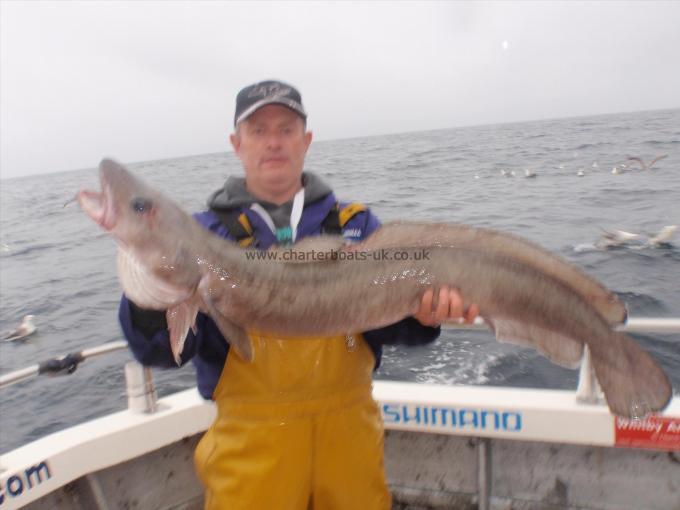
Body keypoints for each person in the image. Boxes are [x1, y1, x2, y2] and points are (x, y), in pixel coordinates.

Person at [119, 80, 478, 510]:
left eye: (286, 129)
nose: (273, 142)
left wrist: (426, 316)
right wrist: (152, 293)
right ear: (237, 144)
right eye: (258, 130)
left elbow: (393, 331)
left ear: (306, 141)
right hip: (251, 461)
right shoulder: (203, 235)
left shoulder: (358, 228)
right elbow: (162, 352)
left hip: (350, 451)